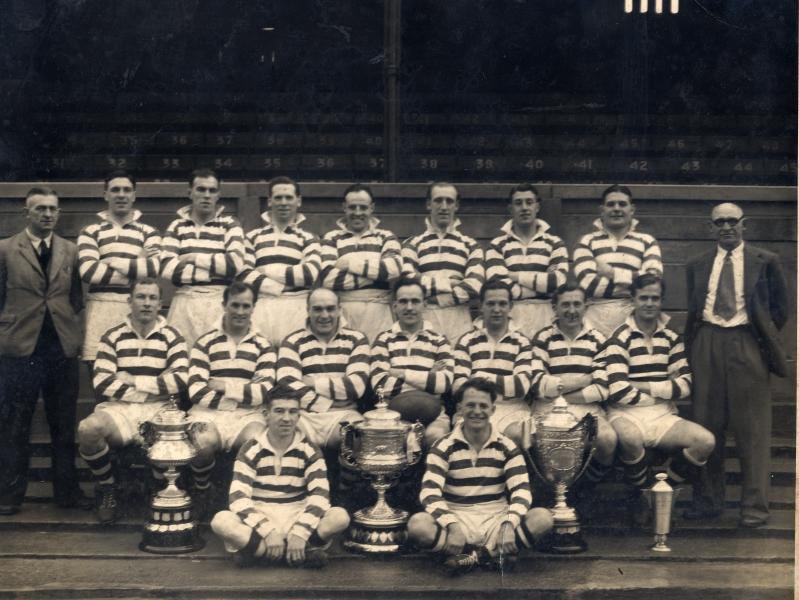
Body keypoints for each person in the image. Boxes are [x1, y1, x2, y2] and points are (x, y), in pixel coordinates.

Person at [684, 202, 788, 528]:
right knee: (706, 426)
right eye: (719, 223)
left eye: (732, 221)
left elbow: (779, 311)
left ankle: (754, 508)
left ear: (745, 224)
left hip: (746, 342)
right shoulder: (697, 265)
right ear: (710, 228)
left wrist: (756, 340)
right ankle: (708, 502)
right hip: (707, 342)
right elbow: (694, 308)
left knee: (752, 429)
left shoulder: (765, 261)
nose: (726, 227)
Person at [0, 186, 92, 514]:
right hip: (19, 350)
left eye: (52, 209)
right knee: (14, 425)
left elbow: (76, 299)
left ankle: (66, 494)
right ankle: (10, 495)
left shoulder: (71, 251)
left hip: (60, 351)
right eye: (40, 209)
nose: (47, 214)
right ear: (27, 213)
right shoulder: (6, 249)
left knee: (63, 425)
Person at [407, 378, 553, 575]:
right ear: (459, 408)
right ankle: (490, 556)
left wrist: (509, 523)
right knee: (418, 524)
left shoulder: (507, 446)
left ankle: (471, 558)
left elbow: (521, 491)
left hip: (496, 518)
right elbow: (430, 493)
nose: (477, 411)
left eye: (483, 406)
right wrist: (452, 526)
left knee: (543, 518)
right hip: (457, 516)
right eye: (470, 405)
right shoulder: (442, 446)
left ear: (493, 410)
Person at [603, 273, 715, 524]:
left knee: (705, 441)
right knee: (629, 438)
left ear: (661, 300)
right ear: (633, 299)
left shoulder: (670, 337)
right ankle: (642, 495)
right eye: (644, 298)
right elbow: (618, 390)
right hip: (625, 413)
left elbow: (685, 385)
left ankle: (661, 490)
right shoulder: (619, 338)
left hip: (662, 414)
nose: (650, 303)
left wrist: (641, 385)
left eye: (655, 298)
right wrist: (664, 387)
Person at [77, 278, 188, 524]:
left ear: (161, 303)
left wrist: (132, 380)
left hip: (158, 411)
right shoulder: (112, 336)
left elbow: (180, 381)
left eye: (152, 298)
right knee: (88, 429)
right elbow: (103, 384)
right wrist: (154, 385)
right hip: (120, 410)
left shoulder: (173, 336)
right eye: (141, 297)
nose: (146, 304)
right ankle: (108, 489)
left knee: (167, 441)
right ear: (129, 301)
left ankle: (159, 490)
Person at [210, 386, 350, 568]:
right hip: (261, 515)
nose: (286, 418)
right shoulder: (251, 449)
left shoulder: (309, 449)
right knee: (221, 521)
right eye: (279, 411)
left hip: (297, 513)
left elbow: (320, 496)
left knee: (340, 517)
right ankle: (301, 554)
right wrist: (267, 532)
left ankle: (260, 554)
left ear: (299, 416)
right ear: (266, 414)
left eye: (293, 412)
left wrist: (300, 532)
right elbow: (238, 498)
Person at [187, 282, 277, 515]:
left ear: (253, 307)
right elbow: (196, 391)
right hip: (207, 413)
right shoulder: (204, 342)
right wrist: (242, 393)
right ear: (224, 305)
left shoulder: (263, 345)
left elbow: (264, 392)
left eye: (246, 305)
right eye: (234, 305)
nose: (240, 311)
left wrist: (223, 386)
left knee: (257, 441)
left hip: (247, 416)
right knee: (202, 442)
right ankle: (202, 489)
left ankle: (243, 498)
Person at [530, 282, 618, 494]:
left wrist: (558, 392)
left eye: (577, 304)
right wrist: (583, 380)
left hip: (587, 412)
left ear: (586, 306)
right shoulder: (543, 338)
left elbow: (602, 389)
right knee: (530, 438)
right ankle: (548, 493)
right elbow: (538, 385)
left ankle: (583, 491)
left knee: (607, 439)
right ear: (555, 307)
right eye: (565, 305)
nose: (571, 310)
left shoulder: (598, 339)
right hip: (547, 411)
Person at [77, 171, 161, 385]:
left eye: (127, 190)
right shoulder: (91, 231)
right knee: (103, 379)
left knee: (136, 373)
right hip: (100, 310)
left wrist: (110, 263)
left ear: (134, 195)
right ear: (105, 194)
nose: (121, 195)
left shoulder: (148, 232)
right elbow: (89, 272)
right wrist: (136, 263)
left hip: (133, 309)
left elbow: (153, 269)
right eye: (115, 189)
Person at [160, 169, 247, 350]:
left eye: (212, 190)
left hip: (218, 303)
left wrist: (193, 257)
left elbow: (234, 264)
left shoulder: (230, 224)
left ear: (218, 195)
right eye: (201, 189)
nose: (206, 195)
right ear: (190, 193)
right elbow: (168, 268)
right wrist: (215, 267)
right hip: (184, 303)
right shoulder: (177, 226)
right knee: (181, 360)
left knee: (217, 359)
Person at [277, 288, 369, 452]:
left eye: (330, 308)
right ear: (308, 310)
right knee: (284, 433)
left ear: (340, 310)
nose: (324, 315)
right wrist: (329, 403)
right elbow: (288, 385)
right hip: (304, 415)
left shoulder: (357, 339)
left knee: (356, 436)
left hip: (344, 414)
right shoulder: (292, 341)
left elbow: (356, 386)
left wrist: (313, 383)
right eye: (318, 309)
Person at [370, 276, 454, 447]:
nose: (409, 307)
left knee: (435, 435)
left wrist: (401, 373)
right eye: (403, 301)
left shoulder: (439, 341)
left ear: (425, 305)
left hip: (434, 413)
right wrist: (428, 377)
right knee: (388, 441)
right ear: (395, 307)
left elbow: (444, 383)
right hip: (391, 415)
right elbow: (380, 384)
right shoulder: (383, 339)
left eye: (415, 301)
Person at [572, 185, 662, 338]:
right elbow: (589, 285)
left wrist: (611, 273)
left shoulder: (647, 241)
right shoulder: (587, 241)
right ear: (602, 210)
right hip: (595, 318)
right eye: (611, 204)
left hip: (634, 316)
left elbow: (651, 282)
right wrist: (634, 282)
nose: (616, 209)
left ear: (632, 209)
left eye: (622, 204)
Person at [452, 277, 533, 447]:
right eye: (491, 304)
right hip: (475, 408)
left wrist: (479, 377)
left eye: (502, 304)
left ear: (511, 306)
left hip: (513, 409)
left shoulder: (522, 342)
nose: (497, 309)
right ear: (481, 306)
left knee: (520, 435)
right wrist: (503, 384)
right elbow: (459, 387)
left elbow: (521, 386)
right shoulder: (466, 341)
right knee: (471, 437)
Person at [240, 176, 321, 345]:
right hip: (263, 308)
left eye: (289, 197)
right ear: (269, 201)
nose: (283, 203)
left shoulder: (309, 238)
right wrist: (281, 287)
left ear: (298, 201)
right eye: (278, 198)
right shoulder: (253, 237)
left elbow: (309, 274)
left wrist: (266, 271)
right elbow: (244, 274)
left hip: (297, 309)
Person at [401, 182, 484, 342]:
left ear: (456, 205)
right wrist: (451, 283)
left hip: (459, 319)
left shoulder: (471, 245)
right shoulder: (412, 244)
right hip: (425, 318)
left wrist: (436, 298)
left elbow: (474, 286)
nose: (444, 206)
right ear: (428, 204)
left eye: (449, 201)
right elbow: (409, 281)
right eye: (438, 200)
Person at [319, 183, 402, 341]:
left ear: (371, 208)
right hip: (345, 312)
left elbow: (394, 269)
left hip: (380, 312)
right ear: (344, 207)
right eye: (352, 207)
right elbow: (329, 279)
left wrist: (349, 263)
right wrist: (377, 274)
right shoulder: (331, 238)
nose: (357, 213)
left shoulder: (385, 236)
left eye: (363, 208)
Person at [485, 183, 568, 338]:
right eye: (518, 203)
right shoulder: (497, 245)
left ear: (537, 206)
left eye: (529, 202)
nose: (524, 208)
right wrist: (542, 286)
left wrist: (515, 276)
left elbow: (557, 282)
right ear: (510, 208)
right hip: (512, 314)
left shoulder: (555, 243)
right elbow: (498, 285)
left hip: (546, 315)